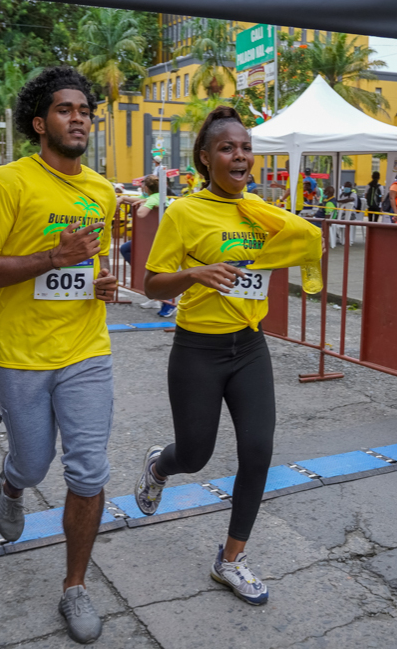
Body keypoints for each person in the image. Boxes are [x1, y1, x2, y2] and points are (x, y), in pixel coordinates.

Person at [134, 105, 321, 607]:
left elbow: (293, 246)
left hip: (249, 346)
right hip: (198, 348)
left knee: (258, 451)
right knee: (194, 454)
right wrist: (195, 274)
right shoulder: (184, 213)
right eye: (227, 148)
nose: (240, 156)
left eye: (245, 148)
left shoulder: (262, 213)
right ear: (205, 157)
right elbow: (151, 284)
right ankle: (160, 466)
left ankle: (231, 560)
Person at [0, 66, 118, 645]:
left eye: (84, 110)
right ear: (39, 122)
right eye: (64, 109)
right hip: (21, 353)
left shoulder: (102, 190)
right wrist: (52, 259)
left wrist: (101, 284)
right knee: (32, 464)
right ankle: (11, 485)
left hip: (86, 349)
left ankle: (74, 586)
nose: (78, 118)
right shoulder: (8, 184)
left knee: (88, 470)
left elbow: (92, 266)